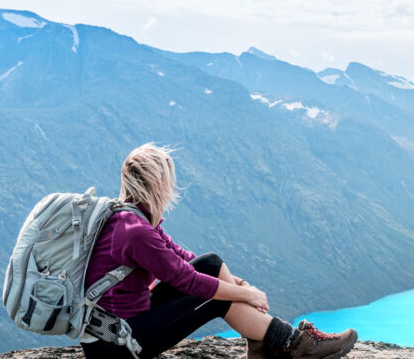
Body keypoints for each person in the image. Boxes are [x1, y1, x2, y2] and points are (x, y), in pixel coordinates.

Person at [81, 143, 357, 359]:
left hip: (122, 325)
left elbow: (186, 259)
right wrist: (245, 294)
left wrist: (238, 284)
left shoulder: (129, 216)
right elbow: (187, 281)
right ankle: (296, 345)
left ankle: (266, 344)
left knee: (210, 263)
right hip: (115, 345)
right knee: (214, 298)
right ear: (157, 183)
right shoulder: (136, 232)